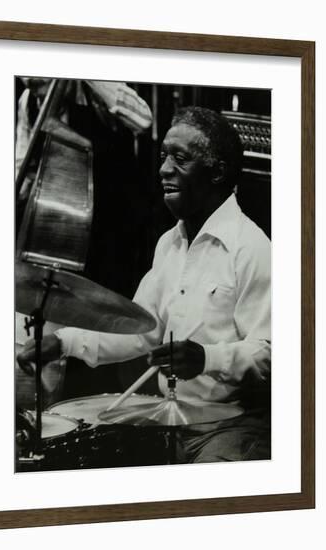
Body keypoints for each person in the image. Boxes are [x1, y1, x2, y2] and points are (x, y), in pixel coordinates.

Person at [17, 106, 271, 463]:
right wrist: (63, 342)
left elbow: (273, 354)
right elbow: (141, 330)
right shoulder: (170, 244)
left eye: (180, 158)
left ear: (217, 172)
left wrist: (206, 358)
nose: (164, 168)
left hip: (234, 428)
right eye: (165, 155)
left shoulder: (252, 248)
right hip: (171, 420)